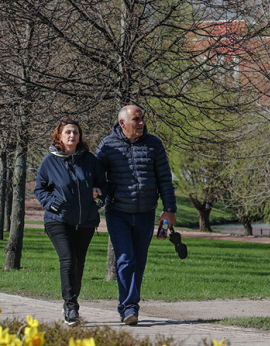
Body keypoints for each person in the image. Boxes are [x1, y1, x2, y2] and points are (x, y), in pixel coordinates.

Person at [96, 105, 177, 326]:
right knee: (125, 259)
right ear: (123, 123)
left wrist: (169, 210)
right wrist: (98, 196)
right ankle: (130, 307)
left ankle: (127, 306)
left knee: (138, 261)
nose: (141, 123)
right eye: (136, 119)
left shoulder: (154, 145)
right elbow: (96, 177)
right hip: (118, 212)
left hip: (145, 214)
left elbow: (164, 180)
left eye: (142, 119)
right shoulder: (107, 145)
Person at [34, 119, 106, 326]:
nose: (72, 136)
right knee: (68, 259)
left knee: (79, 262)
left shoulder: (90, 160)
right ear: (59, 136)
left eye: (75, 132)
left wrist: (99, 197)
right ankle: (70, 305)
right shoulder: (50, 161)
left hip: (85, 221)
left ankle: (73, 301)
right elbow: (40, 189)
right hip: (58, 219)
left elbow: (103, 185)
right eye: (67, 132)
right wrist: (53, 204)